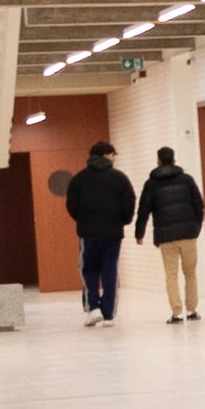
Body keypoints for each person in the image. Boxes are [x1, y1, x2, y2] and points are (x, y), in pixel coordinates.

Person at [63, 138, 134, 328]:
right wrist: (123, 221)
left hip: (88, 233)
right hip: (113, 232)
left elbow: (71, 205)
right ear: (106, 155)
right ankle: (108, 314)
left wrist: (82, 219)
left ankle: (93, 308)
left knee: (89, 269)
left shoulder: (79, 179)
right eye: (112, 155)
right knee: (110, 269)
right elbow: (129, 202)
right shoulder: (119, 178)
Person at [139, 144, 205, 323]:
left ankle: (176, 312)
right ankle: (192, 310)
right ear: (174, 160)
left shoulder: (151, 184)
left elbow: (144, 210)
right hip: (188, 235)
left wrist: (139, 232)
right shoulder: (186, 180)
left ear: (158, 161)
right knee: (190, 272)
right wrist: (196, 226)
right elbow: (199, 204)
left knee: (171, 274)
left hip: (165, 236)